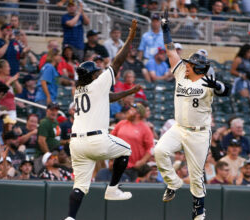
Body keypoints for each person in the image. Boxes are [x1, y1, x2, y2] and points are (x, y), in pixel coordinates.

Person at [153, 11, 229, 220]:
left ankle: (199, 212)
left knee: (196, 176)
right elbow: (170, 52)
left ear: (198, 68)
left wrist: (219, 85)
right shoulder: (180, 73)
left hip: (199, 133)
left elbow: (226, 90)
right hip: (179, 128)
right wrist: (166, 30)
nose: (186, 64)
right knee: (159, 151)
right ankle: (173, 182)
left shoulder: (207, 82)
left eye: (190, 64)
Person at [64, 20, 138, 220]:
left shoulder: (79, 91)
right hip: (96, 140)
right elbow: (117, 62)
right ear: (91, 75)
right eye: (96, 72)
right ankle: (113, 188)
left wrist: (130, 91)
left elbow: (108, 96)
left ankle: (70, 218)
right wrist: (130, 39)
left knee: (80, 186)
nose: (99, 73)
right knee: (126, 149)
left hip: (77, 144)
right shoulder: (97, 84)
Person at [111, 103, 154, 181]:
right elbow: (111, 139)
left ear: (138, 114)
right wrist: (111, 159)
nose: (128, 111)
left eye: (132, 110)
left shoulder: (145, 128)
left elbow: (150, 148)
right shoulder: (121, 123)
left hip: (132, 168)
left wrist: (142, 161)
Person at [35, 103, 61, 173]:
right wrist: (49, 156)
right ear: (47, 111)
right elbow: (41, 141)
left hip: (54, 155)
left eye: (56, 110)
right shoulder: (45, 122)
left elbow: (55, 139)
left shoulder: (55, 122)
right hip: (42, 157)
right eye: (52, 110)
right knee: (42, 177)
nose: (54, 112)